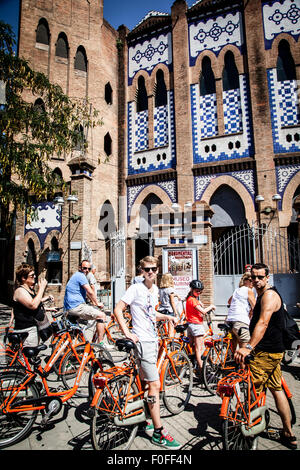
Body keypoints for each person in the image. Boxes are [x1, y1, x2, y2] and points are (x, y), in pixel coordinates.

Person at [114, 256, 181, 449]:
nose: (150, 272)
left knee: (145, 383)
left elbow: (151, 314)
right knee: (155, 384)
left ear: (157, 270)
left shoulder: (156, 290)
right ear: (141, 271)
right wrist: (128, 333)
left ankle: (144, 419)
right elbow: (118, 310)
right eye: (146, 269)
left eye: (153, 269)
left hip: (152, 340)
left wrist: (168, 317)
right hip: (142, 341)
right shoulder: (136, 288)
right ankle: (159, 432)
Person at [234, 263, 297, 450]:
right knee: (277, 389)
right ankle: (288, 433)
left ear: (267, 278)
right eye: (253, 277)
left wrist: (248, 347)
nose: (256, 280)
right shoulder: (262, 295)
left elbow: (262, 323)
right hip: (272, 353)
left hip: (265, 353)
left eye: (260, 277)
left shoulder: (269, 296)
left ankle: (251, 430)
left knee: (254, 390)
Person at [63, 260, 106, 344]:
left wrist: (93, 302)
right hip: (76, 306)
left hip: (71, 307)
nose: (86, 270)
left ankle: (80, 345)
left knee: (80, 329)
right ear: (80, 268)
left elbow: (86, 292)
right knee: (101, 316)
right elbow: (89, 291)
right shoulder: (81, 276)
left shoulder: (76, 276)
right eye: (84, 268)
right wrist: (97, 303)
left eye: (88, 269)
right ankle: (100, 344)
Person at [12, 263, 53, 347]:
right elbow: (32, 305)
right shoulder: (20, 291)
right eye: (32, 275)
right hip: (27, 330)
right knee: (28, 358)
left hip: (33, 328)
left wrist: (49, 309)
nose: (34, 277)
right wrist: (41, 288)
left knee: (33, 356)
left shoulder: (30, 290)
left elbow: (33, 304)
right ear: (23, 278)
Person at [185, 280, 216, 376]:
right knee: (199, 349)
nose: (199, 293)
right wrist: (211, 306)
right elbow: (203, 311)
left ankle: (193, 364)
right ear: (192, 289)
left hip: (190, 325)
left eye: (200, 291)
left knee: (192, 347)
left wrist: (199, 302)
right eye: (197, 291)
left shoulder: (190, 298)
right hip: (196, 325)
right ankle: (202, 370)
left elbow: (197, 305)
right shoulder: (193, 300)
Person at [226, 272, 256, 352]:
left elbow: (229, 301)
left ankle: (230, 362)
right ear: (245, 281)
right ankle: (242, 364)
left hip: (230, 320)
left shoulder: (237, 290)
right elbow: (256, 307)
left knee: (233, 347)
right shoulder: (248, 290)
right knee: (245, 350)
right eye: (251, 280)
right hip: (240, 321)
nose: (253, 282)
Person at [158, 273, 180, 337]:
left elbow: (167, 295)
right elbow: (172, 301)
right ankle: (171, 344)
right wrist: (175, 312)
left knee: (163, 329)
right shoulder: (170, 289)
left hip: (161, 310)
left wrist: (176, 295)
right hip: (169, 310)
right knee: (171, 329)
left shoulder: (160, 290)